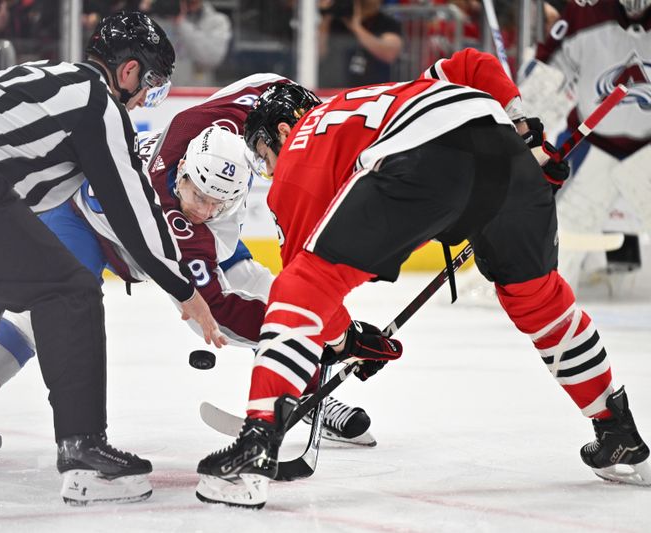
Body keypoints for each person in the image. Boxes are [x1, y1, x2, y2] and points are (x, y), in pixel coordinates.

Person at [194, 48, 650, 509]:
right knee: (537, 298)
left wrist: (347, 339)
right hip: (504, 152)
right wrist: (525, 135)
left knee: (298, 287)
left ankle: (253, 453)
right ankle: (619, 434)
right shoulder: (385, 95)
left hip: (427, 161)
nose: (268, 169)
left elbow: (307, 288)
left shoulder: (301, 145)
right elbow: (473, 64)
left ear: (284, 131)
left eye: (261, 154)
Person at [0, 74, 378, 453]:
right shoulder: (183, 219)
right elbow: (219, 314)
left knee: (262, 284)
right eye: (201, 196)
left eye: (219, 203)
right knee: (42, 320)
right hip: (87, 220)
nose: (206, 207)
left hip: (163, 212)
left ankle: (312, 391)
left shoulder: (254, 116)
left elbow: (244, 119)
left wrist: (328, 325)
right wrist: (328, 335)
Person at [0, 11, 226, 505]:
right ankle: (85, 452)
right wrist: (184, 289)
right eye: (151, 86)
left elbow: (19, 193)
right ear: (129, 71)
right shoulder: (97, 102)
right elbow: (131, 207)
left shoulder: (39, 78)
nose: (145, 101)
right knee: (70, 289)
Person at [531, 0, 651, 295]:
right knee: (559, 236)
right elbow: (550, 73)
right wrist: (525, 118)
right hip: (590, 143)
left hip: (646, 150)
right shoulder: (584, 11)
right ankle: (543, 294)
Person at [318, 0, 403, 88]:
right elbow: (317, 54)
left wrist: (356, 27)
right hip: (334, 88)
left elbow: (389, 54)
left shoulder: (387, 23)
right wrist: (326, 15)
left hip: (374, 89)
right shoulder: (336, 20)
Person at [152, 0, 232, 86]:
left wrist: (181, 23)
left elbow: (210, 59)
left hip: (197, 95)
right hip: (162, 94)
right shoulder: (157, 20)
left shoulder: (217, 21)